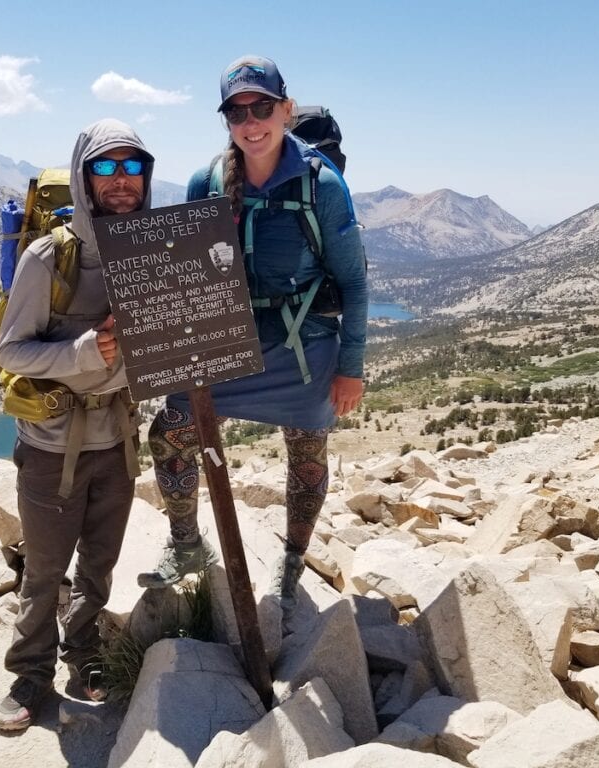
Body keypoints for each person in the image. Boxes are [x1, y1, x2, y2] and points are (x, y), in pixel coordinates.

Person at [138, 56, 367, 620]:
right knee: (170, 435)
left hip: (305, 343)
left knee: (307, 453)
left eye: (262, 106)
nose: (251, 120)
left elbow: (356, 281)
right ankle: (187, 544)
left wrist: (351, 366)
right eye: (237, 110)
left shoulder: (322, 185)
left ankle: (291, 561)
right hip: (226, 341)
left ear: (285, 110)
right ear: (227, 120)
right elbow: (187, 271)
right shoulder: (207, 182)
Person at [0, 119, 154, 731]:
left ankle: (82, 654)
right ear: (85, 177)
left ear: (147, 176)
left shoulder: (152, 251)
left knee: (100, 565)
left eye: (132, 167)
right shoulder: (45, 257)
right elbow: (13, 352)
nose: (120, 181)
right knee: (44, 572)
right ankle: (30, 675)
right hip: (52, 445)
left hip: (117, 442)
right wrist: (86, 351)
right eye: (106, 168)